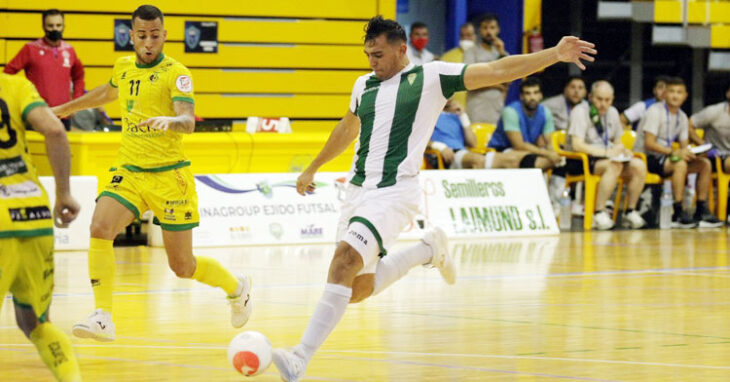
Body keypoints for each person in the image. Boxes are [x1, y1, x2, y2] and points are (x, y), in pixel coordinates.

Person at [271, 15, 595, 381]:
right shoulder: (362, 85)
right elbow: (347, 128)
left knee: (343, 262)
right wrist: (312, 167)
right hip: (357, 192)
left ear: (401, 50)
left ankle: (299, 358)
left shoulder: (431, 77)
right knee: (356, 289)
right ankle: (428, 250)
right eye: (367, 55)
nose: (371, 62)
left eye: (378, 54)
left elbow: (497, 70)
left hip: (395, 192)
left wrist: (553, 54)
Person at [50, 5, 252, 342]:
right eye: (141, 36)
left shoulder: (177, 73)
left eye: (155, 36)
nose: (148, 43)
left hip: (169, 177)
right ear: (131, 36)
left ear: (165, 36)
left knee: (182, 266)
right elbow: (107, 92)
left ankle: (237, 288)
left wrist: (173, 121)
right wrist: (62, 109)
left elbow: (187, 119)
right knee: (100, 227)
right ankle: (103, 315)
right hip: (129, 170)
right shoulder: (124, 67)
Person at [0, 73, 82, 381]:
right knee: (34, 322)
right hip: (33, 214)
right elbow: (55, 130)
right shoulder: (15, 85)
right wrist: (63, 193)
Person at [634, 77, 723, 228]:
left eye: (679, 92)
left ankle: (701, 210)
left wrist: (693, 152)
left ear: (685, 96)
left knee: (704, 164)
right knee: (679, 164)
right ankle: (678, 212)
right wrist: (676, 152)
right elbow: (649, 143)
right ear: (664, 94)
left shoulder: (682, 116)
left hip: (668, 158)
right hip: (648, 158)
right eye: (672, 91)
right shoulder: (655, 111)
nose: (675, 96)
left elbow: (683, 146)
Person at [566, 81, 647, 230]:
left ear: (612, 98)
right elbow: (577, 145)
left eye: (607, 100)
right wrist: (606, 153)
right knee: (614, 166)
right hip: (582, 159)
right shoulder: (580, 111)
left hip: (608, 157)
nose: (603, 104)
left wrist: (623, 150)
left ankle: (630, 210)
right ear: (590, 97)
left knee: (639, 165)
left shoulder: (613, 112)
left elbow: (617, 141)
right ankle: (598, 212)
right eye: (599, 99)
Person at [3, 9, 85, 130]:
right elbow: (7, 73)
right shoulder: (30, 49)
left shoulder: (69, 50)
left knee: (62, 149)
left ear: (64, 26)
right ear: (43, 26)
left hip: (63, 117)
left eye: (58, 25)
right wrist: (18, 100)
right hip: (37, 114)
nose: (55, 29)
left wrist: (77, 102)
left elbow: (79, 76)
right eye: (50, 25)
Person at [428, 98, 532, 169]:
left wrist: (463, 116)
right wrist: (439, 147)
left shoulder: (456, 115)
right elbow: (413, 140)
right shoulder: (429, 114)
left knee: (513, 160)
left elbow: (473, 143)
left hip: (464, 153)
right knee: (479, 161)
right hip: (446, 155)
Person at [487, 77, 562, 170]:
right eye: (528, 93)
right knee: (540, 162)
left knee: (558, 161)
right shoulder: (510, 111)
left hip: (528, 151)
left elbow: (549, 143)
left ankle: (555, 184)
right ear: (521, 96)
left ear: (541, 95)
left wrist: (553, 154)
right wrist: (548, 154)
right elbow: (518, 145)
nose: (532, 97)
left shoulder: (545, 112)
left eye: (535, 92)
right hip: (503, 150)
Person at [689, 84, 730, 222]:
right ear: (728, 94)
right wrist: (704, 146)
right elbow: (688, 125)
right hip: (716, 156)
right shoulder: (714, 111)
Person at [464, 13, 509, 124]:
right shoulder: (471, 52)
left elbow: (508, 81)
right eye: (485, 28)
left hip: (497, 109)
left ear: (498, 30)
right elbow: (469, 81)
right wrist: (498, 85)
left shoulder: (503, 54)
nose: (489, 32)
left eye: (492, 28)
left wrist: (502, 52)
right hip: (476, 109)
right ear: (479, 30)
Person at [440, 23, 476, 108]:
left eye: (469, 35)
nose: (465, 38)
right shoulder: (447, 57)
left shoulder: (482, 57)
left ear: (475, 36)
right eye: (462, 35)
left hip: (477, 109)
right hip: (454, 109)